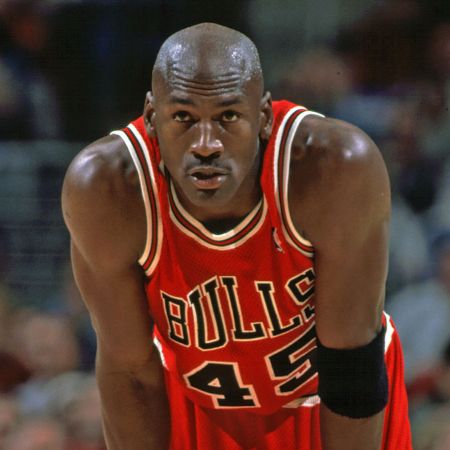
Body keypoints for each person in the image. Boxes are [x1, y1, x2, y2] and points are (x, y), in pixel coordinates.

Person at [62, 23, 412, 450]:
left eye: (228, 117)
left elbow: (351, 361)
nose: (206, 143)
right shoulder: (107, 189)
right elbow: (130, 371)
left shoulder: (332, 168)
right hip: (198, 403)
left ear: (263, 118)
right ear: (152, 117)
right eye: (183, 118)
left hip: (328, 399)